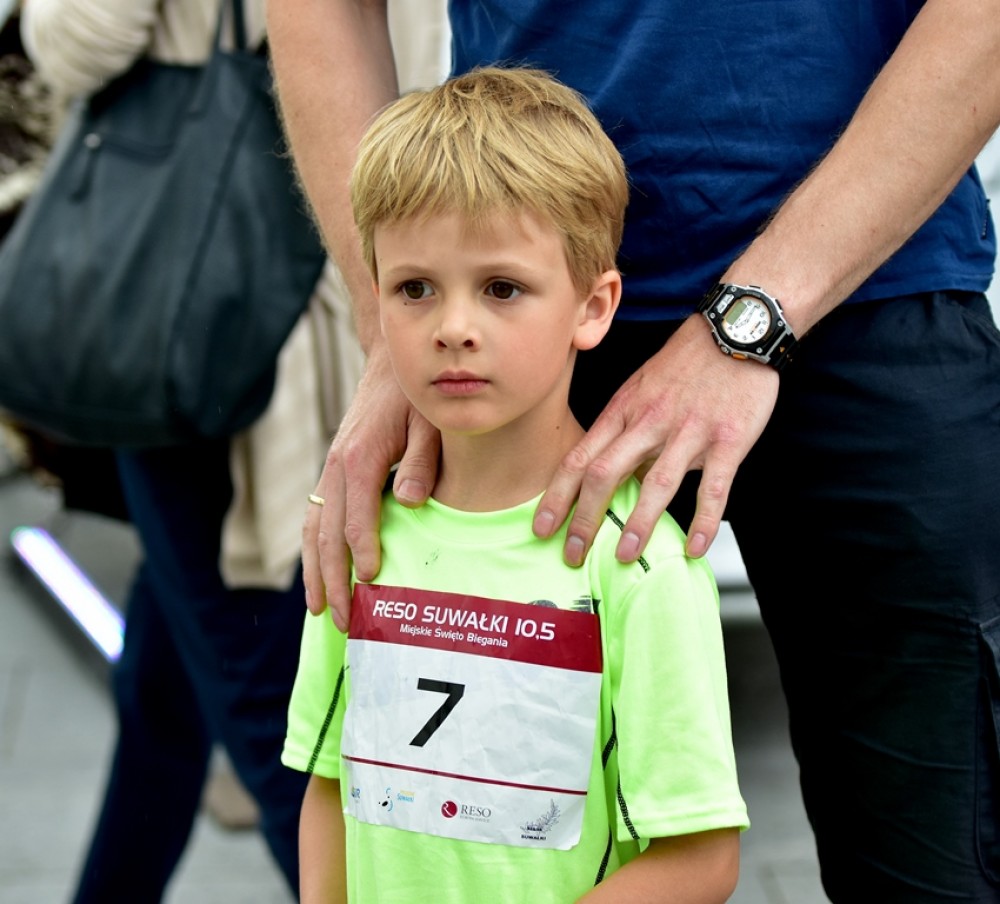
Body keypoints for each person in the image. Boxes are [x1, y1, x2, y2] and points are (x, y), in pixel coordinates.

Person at [268, 1, 1000, 902]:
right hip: (530, 297)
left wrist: (755, 316)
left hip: (877, 278)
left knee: (936, 866)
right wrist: (392, 320)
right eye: (414, 291)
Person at [281, 65, 749, 903]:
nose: (454, 327)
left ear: (593, 307)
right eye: (415, 289)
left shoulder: (640, 569)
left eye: (502, 288)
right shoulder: (363, 536)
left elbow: (700, 861)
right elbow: (329, 783)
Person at [19, 0, 444, 900]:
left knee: (268, 715)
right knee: (171, 686)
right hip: (346, 305)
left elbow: (78, 44)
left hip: (211, 347)